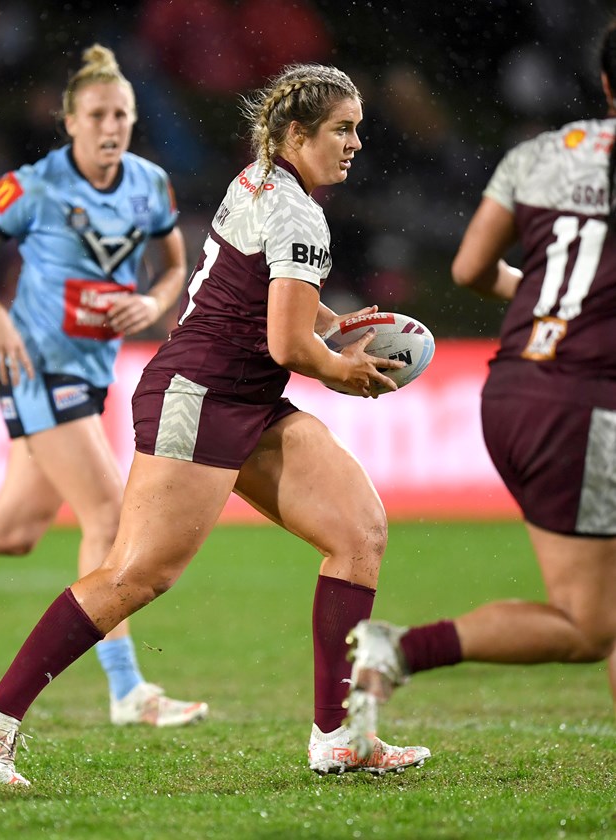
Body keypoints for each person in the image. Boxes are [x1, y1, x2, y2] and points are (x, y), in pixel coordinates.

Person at [0, 62, 432, 786]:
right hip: (200, 395)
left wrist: (341, 327)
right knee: (140, 574)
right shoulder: (298, 211)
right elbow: (286, 344)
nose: (355, 143)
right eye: (341, 129)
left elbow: (274, 304)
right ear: (297, 132)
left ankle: (337, 737)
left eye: (357, 129)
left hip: (246, 396)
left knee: (357, 532)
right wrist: (342, 369)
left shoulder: (262, 178)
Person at [0, 44, 208, 730]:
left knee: (10, 530)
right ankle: (128, 692)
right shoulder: (31, 187)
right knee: (107, 518)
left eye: (120, 114)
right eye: (96, 114)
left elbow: (173, 266)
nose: (110, 126)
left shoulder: (150, 185)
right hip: (36, 366)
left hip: (89, 372)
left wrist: (153, 303)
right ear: (69, 120)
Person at [344, 22, 616, 754]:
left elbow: (469, 269)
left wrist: (554, 307)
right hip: (585, 402)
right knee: (588, 625)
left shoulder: (539, 155)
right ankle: (399, 650)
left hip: (515, 388)